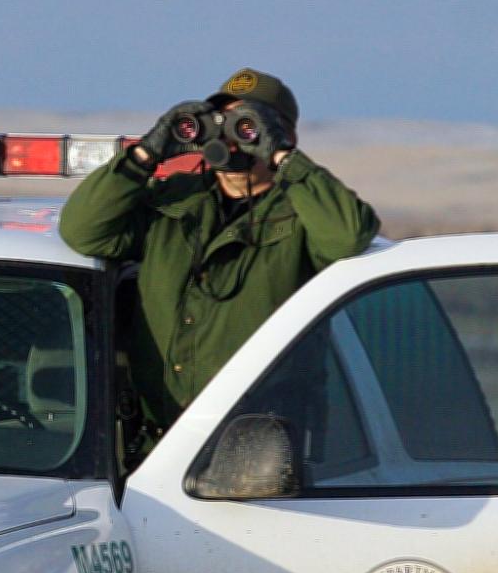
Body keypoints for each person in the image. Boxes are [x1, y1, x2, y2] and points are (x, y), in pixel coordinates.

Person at [58, 68, 380, 454]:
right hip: (157, 444)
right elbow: (84, 231)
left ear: (285, 135)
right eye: (221, 122)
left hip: (257, 453)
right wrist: (146, 154)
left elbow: (349, 235)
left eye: (247, 125)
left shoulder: (303, 216)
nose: (232, 136)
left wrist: (283, 158)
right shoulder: (175, 203)